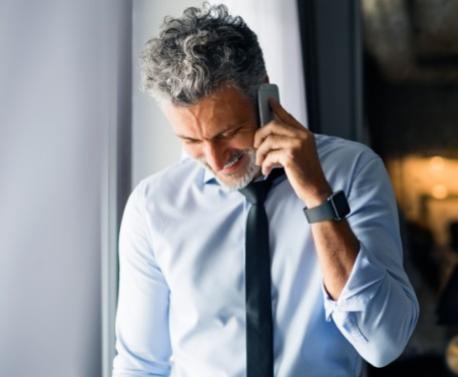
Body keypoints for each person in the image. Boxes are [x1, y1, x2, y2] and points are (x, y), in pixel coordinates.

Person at [112, 4, 418, 377]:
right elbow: (140, 365)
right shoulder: (153, 206)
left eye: (226, 133)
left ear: (265, 95)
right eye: (191, 139)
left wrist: (317, 198)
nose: (215, 157)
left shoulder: (352, 171)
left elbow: (384, 343)